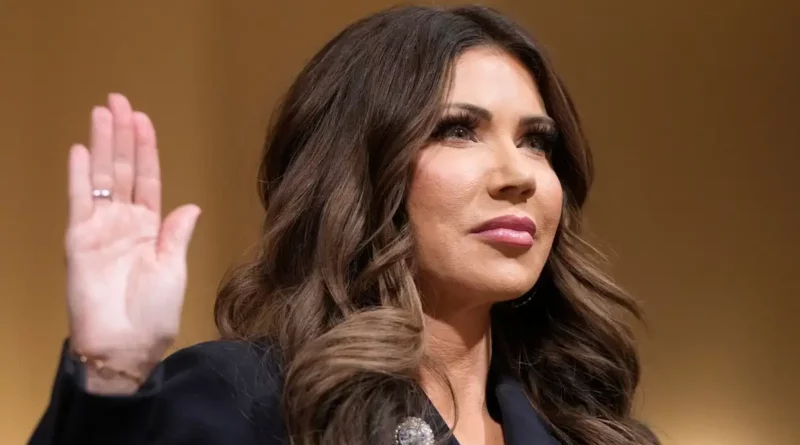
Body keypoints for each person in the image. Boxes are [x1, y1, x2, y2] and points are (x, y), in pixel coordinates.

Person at [28, 5, 659, 445]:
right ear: (358, 170)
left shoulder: (591, 432)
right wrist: (109, 373)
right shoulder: (245, 402)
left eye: (536, 141)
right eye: (457, 130)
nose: (517, 174)